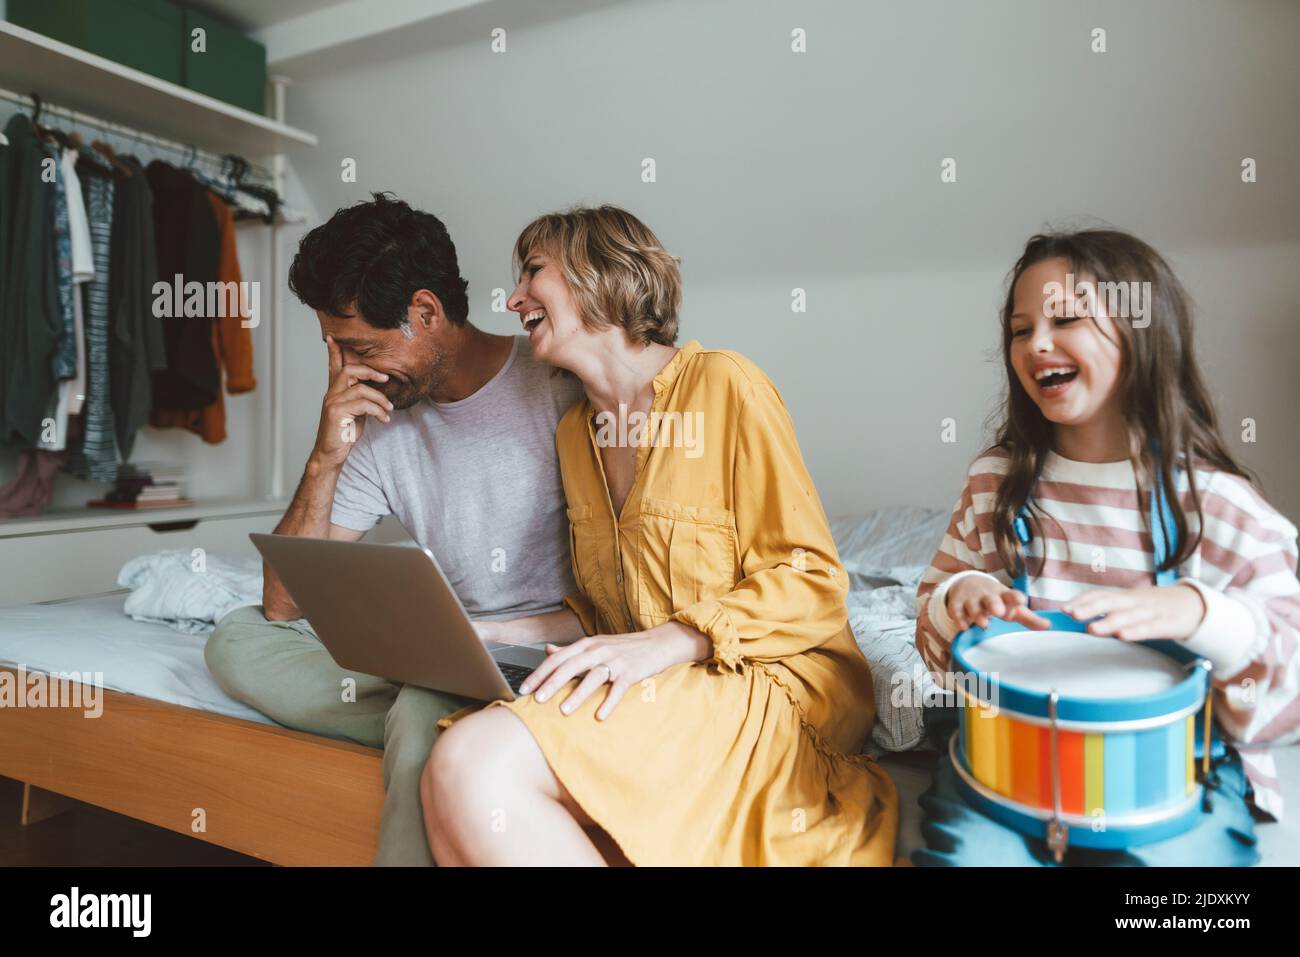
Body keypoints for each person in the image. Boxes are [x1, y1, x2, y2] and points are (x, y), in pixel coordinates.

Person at [419, 205, 899, 865]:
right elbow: (606, 611)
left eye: (533, 271)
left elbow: (812, 582)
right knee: (463, 809)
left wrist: (668, 643)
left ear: (599, 274)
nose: (513, 298)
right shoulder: (577, 435)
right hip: (673, 685)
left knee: (471, 762)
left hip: (773, 681)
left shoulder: (727, 386)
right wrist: (495, 632)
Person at [204, 193, 582, 866]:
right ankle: (440, 704)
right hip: (447, 655)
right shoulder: (379, 422)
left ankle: (431, 712)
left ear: (425, 312)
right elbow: (282, 605)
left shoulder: (555, 384)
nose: (351, 371)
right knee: (236, 636)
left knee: (416, 707)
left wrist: (486, 643)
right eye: (338, 353)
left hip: (550, 656)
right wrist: (327, 454)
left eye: (362, 348)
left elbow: (621, 593)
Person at [911, 229, 1300, 866]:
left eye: (1065, 318)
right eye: (1019, 328)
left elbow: (1288, 682)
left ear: (1143, 334)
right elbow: (931, 626)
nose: (1037, 343)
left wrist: (1205, 615)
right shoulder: (995, 484)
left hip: (1172, 778)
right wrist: (958, 600)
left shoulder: (1214, 505)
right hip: (1011, 765)